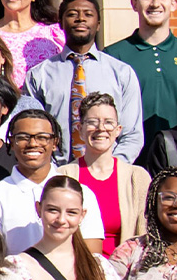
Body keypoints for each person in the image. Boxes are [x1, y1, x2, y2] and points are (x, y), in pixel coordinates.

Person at [23, 0, 143, 164]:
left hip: (107, 172)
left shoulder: (121, 73)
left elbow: (132, 134)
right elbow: (32, 129)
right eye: (72, 14)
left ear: (98, 24)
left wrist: (110, 169)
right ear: (61, 23)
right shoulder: (39, 75)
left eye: (88, 14)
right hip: (56, 172)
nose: (80, 19)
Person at [0, 110, 106, 255]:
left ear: (55, 143)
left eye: (42, 137)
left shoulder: (81, 193)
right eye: (23, 137)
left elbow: (92, 256)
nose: (33, 143)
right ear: (11, 143)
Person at [104, 0, 177, 168]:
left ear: (174, 4)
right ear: (134, 3)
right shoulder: (113, 56)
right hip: (130, 164)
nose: (155, 3)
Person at [55, 92, 151, 255]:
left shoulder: (137, 178)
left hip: (125, 272)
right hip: (77, 270)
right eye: (92, 122)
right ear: (80, 129)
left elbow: (146, 235)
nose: (101, 128)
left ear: (118, 130)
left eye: (108, 122)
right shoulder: (63, 175)